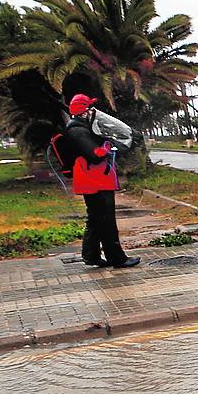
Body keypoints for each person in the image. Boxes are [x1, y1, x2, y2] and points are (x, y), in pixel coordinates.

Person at [63, 94, 139, 268]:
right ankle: (117, 258)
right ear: (83, 113)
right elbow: (95, 155)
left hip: (92, 180)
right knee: (107, 221)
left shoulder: (80, 127)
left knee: (96, 219)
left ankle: (91, 256)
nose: (93, 112)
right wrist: (109, 145)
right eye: (90, 109)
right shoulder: (78, 131)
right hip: (95, 181)